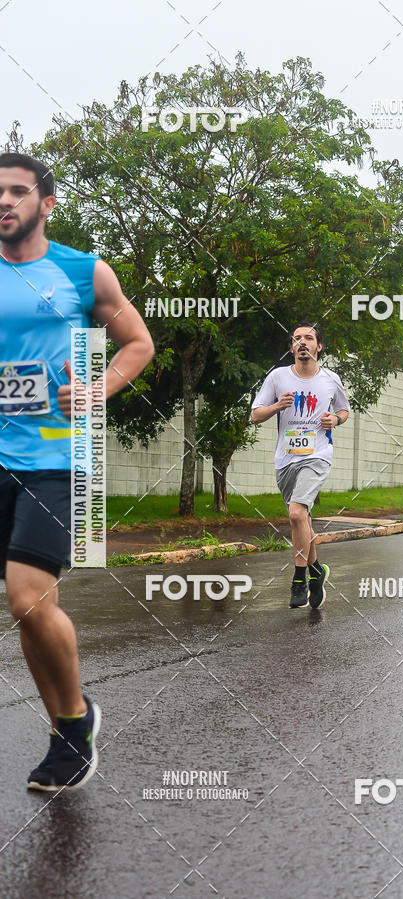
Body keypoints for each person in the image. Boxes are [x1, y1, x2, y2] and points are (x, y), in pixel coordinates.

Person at [0, 152, 154, 789]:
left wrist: (99, 390)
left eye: (16, 192)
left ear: (46, 203)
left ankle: (73, 725)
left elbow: (137, 343)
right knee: (32, 612)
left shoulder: (82, 271)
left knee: (26, 596)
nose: (3, 202)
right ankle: (69, 721)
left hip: (61, 456)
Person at [251, 322, 350, 609]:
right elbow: (256, 415)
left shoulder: (331, 379)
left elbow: (344, 410)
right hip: (285, 460)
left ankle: (298, 579)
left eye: (309, 338)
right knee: (303, 520)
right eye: (297, 339)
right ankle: (317, 571)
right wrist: (276, 407)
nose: (302, 342)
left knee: (296, 514)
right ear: (291, 347)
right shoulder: (278, 377)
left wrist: (336, 420)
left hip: (317, 455)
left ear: (319, 346)